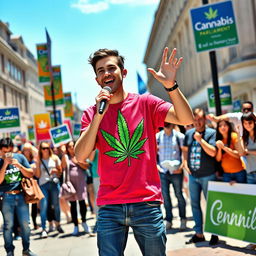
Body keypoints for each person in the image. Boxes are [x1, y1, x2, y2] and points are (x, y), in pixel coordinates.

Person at [75, 47, 193, 256]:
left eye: (111, 68)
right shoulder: (92, 113)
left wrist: (170, 86)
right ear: (97, 80)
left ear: (124, 72)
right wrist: (98, 117)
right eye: (101, 71)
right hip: (110, 206)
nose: (106, 73)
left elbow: (185, 119)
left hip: (146, 203)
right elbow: (81, 155)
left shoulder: (145, 103)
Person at [183, 108, 218, 245]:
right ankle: (199, 233)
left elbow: (213, 153)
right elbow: (185, 151)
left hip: (208, 175)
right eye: (195, 119)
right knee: (194, 204)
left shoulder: (211, 133)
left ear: (204, 119)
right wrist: (185, 163)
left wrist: (200, 140)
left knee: (212, 205)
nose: (197, 122)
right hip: (193, 176)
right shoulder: (189, 133)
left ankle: (215, 233)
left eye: (200, 119)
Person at [0, 138, 37, 256]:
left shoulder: (20, 158)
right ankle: (9, 251)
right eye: (5, 151)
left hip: (21, 195)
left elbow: (31, 173)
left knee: (25, 224)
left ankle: (26, 249)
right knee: (8, 226)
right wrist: (5, 164)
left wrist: (19, 166)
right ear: (0, 151)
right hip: (6, 197)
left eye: (10, 151)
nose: (8, 153)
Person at [156, 122, 187, 230]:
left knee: (179, 195)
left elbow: (184, 152)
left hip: (176, 171)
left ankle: (183, 219)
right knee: (165, 197)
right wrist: (157, 166)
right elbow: (154, 152)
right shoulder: (157, 137)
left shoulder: (180, 136)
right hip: (163, 171)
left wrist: (182, 166)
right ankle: (168, 220)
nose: (167, 124)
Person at [61, 141, 92, 236]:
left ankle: (84, 221)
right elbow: (62, 168)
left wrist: (77, 161)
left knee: (82, 203)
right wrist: (63, 156)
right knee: (73, 204)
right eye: (69, 146)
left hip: (81, 182)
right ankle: (75, 225)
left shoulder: (81, 155)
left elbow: (87, 166)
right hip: (71, 184)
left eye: (72, 146)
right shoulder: (66, 157)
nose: (71, 148)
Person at [35, 141, 64, 238]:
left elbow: (60, 171)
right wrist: (37, 164)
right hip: (43, 185)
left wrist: (57, 170)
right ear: (40, 150)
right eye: (43, 148)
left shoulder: (54, 158)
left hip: (54, 184)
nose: (46, 150)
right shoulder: (39, 159)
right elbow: (38, 175)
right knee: (43, 206)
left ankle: (58, 224)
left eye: (47, 148)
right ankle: (44, 228)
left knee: (56, 205)